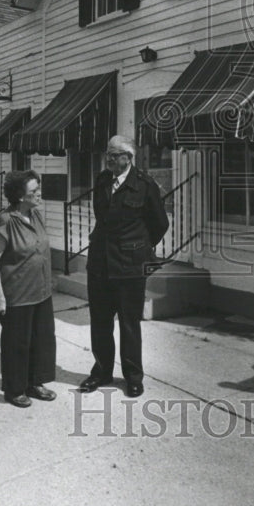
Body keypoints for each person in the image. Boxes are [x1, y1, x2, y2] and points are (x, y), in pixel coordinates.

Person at [80, 135, 169, 398]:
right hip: (100, 264)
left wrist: (138, 247)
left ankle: (133, 377)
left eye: (114, 154)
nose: (108, 158)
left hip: (130, 268)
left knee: (129, 324)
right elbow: (101, 217)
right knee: (100, 322)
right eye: (108, 153)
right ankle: (102, 371)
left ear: (128, 157)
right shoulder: (102, 180)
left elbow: (160, 224)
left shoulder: (144, 185)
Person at [0, 170, 57, 408]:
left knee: (41, 340)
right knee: (17, 344)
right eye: (33, 191)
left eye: (38, 189)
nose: (39, 194)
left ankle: (34, 383)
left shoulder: (35, 215)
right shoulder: (6, 221)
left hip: (41, 291)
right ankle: (15, 389)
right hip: (17, 294)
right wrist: (0, 298)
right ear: (19, 196)